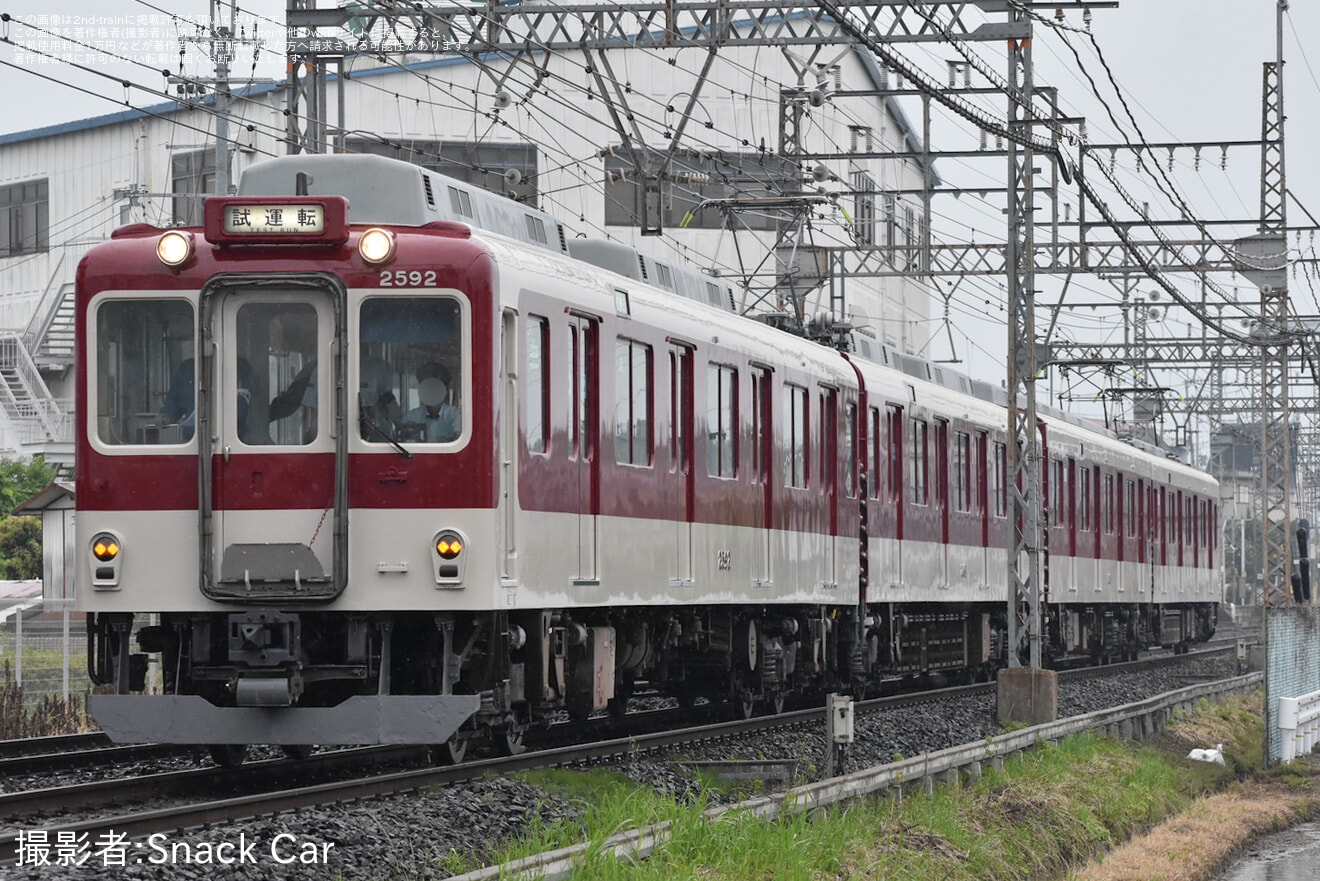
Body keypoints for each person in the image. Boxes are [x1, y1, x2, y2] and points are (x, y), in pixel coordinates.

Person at [400, 362, 460, 442]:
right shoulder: (410, 418)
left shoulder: (455, 415)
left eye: (437, 387)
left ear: (445, 390)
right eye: (428, 387)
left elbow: (458, 440)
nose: (432, 391)